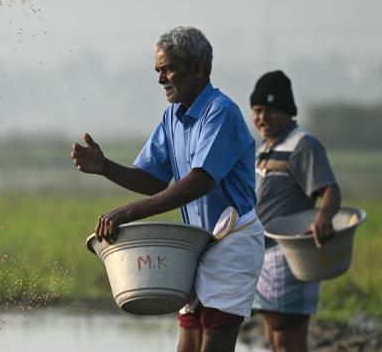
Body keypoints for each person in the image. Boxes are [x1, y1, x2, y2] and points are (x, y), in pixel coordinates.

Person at [71, 26, 265, 352]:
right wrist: (106, 167)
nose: (162, 79)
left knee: (215, 340)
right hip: (195, 244)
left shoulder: (220, 112)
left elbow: (198, 182)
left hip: (232, 241)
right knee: (187, 341)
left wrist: (127, 213)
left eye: (169, 69)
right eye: (158, 71)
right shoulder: (172, 117)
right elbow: (153, 180)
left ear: (198, 69)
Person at [250, 70, 342, 352]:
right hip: (261, 252)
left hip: (289, 253)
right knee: (273, 338)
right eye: (257, 111)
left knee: (288, 337)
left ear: (288, 111)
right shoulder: (265, 148)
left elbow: (329, 190)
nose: (263, 118)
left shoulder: (303, 145)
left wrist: (323, 218)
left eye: (270, 110)